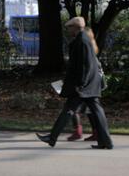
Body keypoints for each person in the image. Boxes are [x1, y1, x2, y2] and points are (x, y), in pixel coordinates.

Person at [36, 17, 113, 149]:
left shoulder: (81, 41)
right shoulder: (83, 39)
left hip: (83, 85)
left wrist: (81, 84)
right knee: (95, 111)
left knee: (69, 110)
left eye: (69, 27)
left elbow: (84, 65)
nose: (68, 30)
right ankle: (105, 141)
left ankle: (52, 137)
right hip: (89, 84)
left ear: (75, 27)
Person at [67, 27, 104, 142]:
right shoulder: (91, 47)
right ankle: (95, 132)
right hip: (93, 84)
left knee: (76, 108)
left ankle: (80, 132)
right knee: (89, 110)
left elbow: (85, 69)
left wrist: (80, 83)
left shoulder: (85, 47)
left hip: (87, 85)